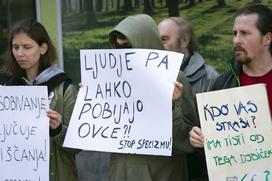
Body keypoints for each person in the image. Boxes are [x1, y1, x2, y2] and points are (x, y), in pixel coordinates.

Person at [108, 14, 199, 181]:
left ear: (146, 44)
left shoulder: (175, 78)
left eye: (129, 48)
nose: (124, 55)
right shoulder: (111, 79)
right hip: (120, 172)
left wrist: (170, 107)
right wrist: (92, 98)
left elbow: (187, 142)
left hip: (161, 173)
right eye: (119, 48)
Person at [189, 2, 272, 174]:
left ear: (267, 39)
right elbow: (212, 145)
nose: (236, 40)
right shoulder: (223, 83)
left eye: (245, 33)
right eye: (234, 33)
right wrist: (197, 138)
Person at [2, 19, 80, 181]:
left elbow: (76, 147)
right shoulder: (7, 89)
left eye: (27, 47)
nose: (19, 53)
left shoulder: (64, 88)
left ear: (43, 48)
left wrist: (58, 129)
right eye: (15, 47)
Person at [158, 17, 218, 180]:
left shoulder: (210, 78)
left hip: (196, 170)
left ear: (184, 41)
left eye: (164, 39)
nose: (158, 46)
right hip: (163, 169)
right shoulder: (152, 77)